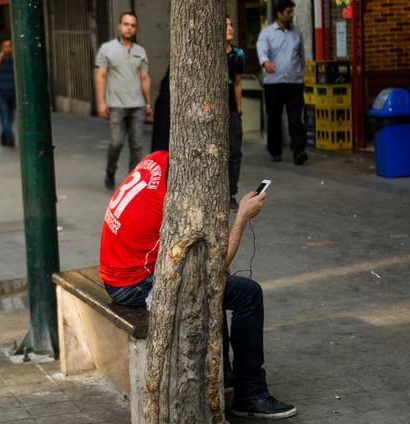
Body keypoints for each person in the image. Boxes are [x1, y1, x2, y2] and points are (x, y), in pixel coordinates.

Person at [99, 150, 298, 419]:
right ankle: (250, 393)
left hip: (117, 269)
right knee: (248, 294)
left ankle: (224, 375)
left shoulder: (159, 158)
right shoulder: (176, 207)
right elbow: (213, 271)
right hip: (133, 284)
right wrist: (241, 218)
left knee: (223, 287)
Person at [95, 12, 153, 190]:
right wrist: (101, 102)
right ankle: (110, 171)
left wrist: (148, 103)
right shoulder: (107, 49)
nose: (129, 27)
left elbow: (145, 78)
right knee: (116, 142)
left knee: (136, 146)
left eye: (133, 25)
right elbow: (101, 76)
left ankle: (132, 182)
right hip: (116, 105)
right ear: (120, 26)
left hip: (137, 105)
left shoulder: (140, 51)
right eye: (126, 24)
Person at [256, 0, 308, 165]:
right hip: (274, 83)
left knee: (295, 117)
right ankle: (275, 150)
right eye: (288, 12)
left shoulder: (296, 33)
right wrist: (265, 62)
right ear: (279, 13)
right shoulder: (267, 33)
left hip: (294, 83)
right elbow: (262, 50)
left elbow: (301, 56)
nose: (291, 15)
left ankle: (299, 151)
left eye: (292, 12)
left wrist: (303, 75)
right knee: (274, 118)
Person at [226, 17, 245, 210]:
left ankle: (231, 192)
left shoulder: (238, 54)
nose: (230, 28)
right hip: (213, 111)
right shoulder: (210, 53)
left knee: (235, 152)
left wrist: (239, 111)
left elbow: (238, 83)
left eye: (232, 24)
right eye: (226, 26)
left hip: (231, 110)